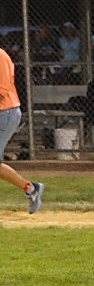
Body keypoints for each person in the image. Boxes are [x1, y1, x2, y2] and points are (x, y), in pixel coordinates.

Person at [1, 46, 44, 213]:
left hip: (5, 112)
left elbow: (2, 93)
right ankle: (31, 189)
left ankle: (32, 189)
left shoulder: (0, 56)